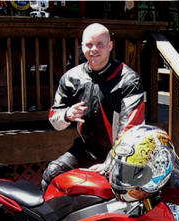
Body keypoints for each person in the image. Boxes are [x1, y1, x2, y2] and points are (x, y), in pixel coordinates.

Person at [41, 23, 145, 190]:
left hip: (124, 155)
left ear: (110, 46)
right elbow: (54, 117)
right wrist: (67, 114)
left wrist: (112, 161)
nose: (94, 49)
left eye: (100, 44)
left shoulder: (128, 79)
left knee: (117, 190)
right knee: (52, 174)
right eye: (89, 44)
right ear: (82, 46)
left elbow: (132, 128)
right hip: (86, 150)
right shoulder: (71, 78)